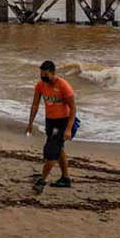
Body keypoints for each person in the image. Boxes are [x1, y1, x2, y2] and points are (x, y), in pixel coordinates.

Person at [25, 59, 76, 191]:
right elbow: (35, 105)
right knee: (58, 149)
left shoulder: (63, 86)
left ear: (53, 73)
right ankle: (66, 178)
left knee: (51, 151)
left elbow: (73, 108)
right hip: (50, 121)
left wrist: (69, 129)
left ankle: (42, 180)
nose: (43, 77)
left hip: (63, 122)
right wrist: (30, 123)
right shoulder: (40, 86)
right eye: (41, 74)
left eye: (45, 74)